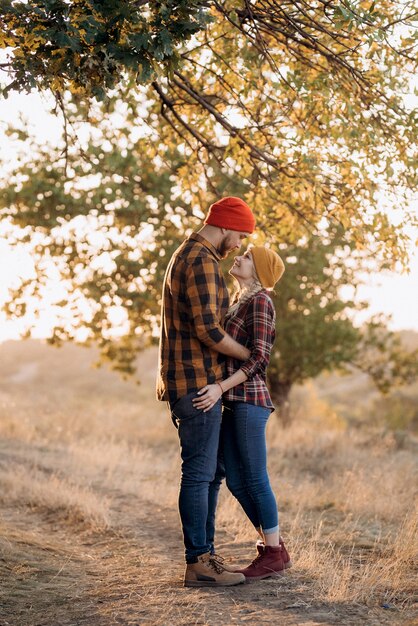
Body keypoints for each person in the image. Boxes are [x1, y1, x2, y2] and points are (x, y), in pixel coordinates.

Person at [156, 196, 257, 587]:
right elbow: (209, 332)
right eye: (240, 236)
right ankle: (198, 561)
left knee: (209, 471)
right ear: (227, 226)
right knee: (199, 473)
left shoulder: (190, 254)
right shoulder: (199, 260)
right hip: (196, 381)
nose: (237, 245)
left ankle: (206, 557)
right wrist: (250, 354)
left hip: (191, 377)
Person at [192, 244, 291, 581]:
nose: (238, 258)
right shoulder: (239, 302)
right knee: (235, 479)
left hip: (250, 400)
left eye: (247, 256)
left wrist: (220, 387)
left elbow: (260, 358)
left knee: (255, 477)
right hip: (233, 401)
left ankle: (273, 553)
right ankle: (274, 546)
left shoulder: (261, 300)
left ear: (259, 270)